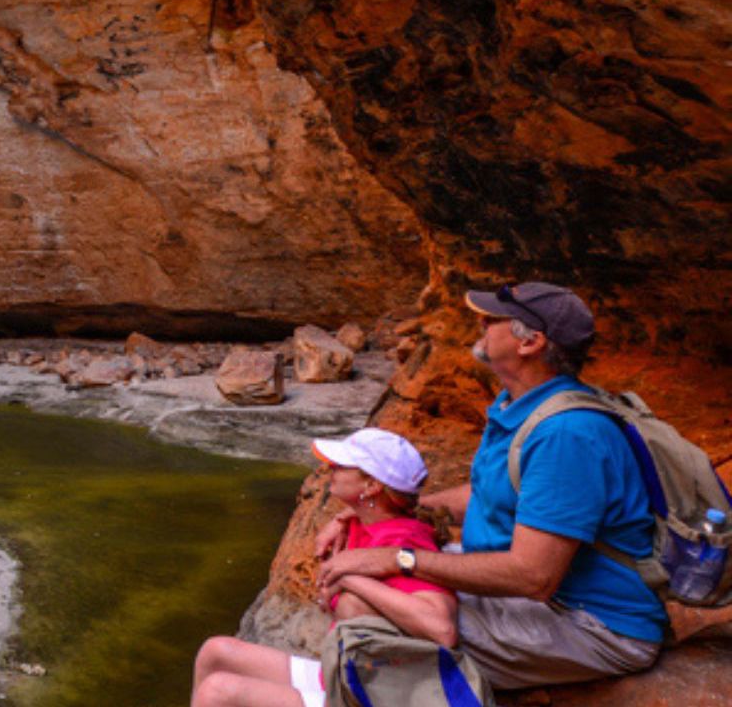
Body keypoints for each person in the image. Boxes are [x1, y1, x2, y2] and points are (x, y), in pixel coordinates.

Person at [318, 282, 666, 689]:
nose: (480, 322)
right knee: (373, 581)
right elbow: (485, 495)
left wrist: (401, 558)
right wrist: (378, 509)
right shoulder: (519, 406)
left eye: (493, 319)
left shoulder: (566, 434)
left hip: (590, 623)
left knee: (368, 606)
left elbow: (533, 576)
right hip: (544, 595)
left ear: (531, 342)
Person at [192, 427, 454, 707]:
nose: (329, 468)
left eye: (341, 466)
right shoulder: (362, 523)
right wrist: (344, 525)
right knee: (215, 652)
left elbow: (442, 630)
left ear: (371, 486)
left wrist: (348, 577)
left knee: (217, 691)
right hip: (340, 674)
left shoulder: (402, 541)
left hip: (372, 695)